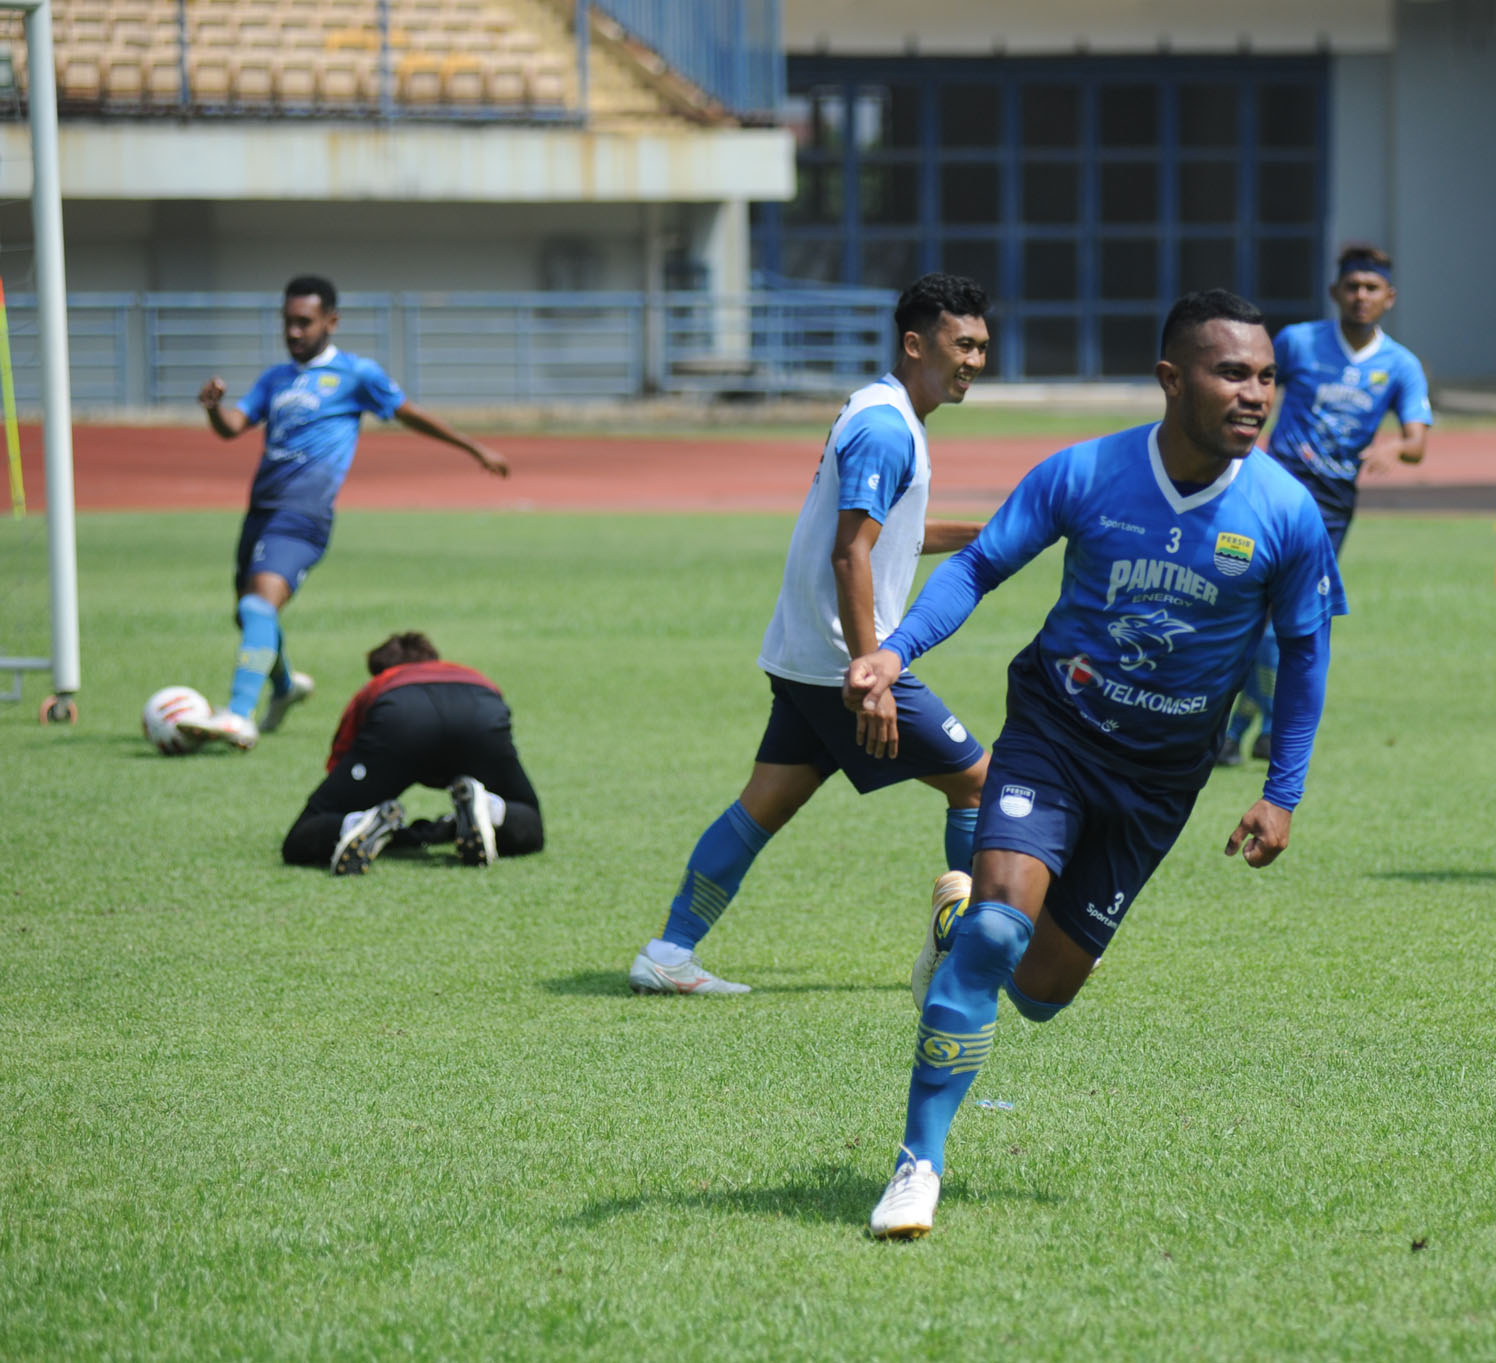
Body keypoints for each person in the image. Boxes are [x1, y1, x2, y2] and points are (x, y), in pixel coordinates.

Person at [844, 290, 1345, 1239]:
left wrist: (1282, 794)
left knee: (1038, 994)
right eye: (1232, 372)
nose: (1257, 393)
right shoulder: (1084, 474)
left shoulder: (1286, 513)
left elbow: (1307, 654)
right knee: (999, 936)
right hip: (1055, 736)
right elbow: (980, 568)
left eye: (1267, 376)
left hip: (1161, 781)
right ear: (1171, 378)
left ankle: (954, 920)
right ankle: (918, 1163)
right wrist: (896, 650)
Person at [625, 273, 995, 997]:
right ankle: (970, 951)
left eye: (983, 346)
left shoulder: (878, 410)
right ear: (916, 343)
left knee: (762, 805)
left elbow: (885, 536)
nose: (975, 360)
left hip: (805, 657)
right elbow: (850, 552)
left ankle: (669, 952)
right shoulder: (888, 428)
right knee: (979, 785)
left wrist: (998, 534)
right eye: (963, 344)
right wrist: (873, 670)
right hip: (842, 662)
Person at [182, 275, 509, 751]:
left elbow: (408, 412)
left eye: (304, 323)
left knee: (258, 606)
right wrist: (214, 408)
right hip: (261, 512)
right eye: (287, 323)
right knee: (249, 615)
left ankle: (238, 715)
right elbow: (234, 427)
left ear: (331, 322)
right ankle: (285, 685)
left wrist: (474, 448)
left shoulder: (356, 375)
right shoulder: (276, 379)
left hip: (304, 515)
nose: (293, 333)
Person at [1221, 243, 1431, 765]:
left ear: (1390, 298)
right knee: (1248, 603)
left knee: (1279, 614)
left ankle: (1244, 726)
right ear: (1335, 292)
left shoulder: (1400, 365)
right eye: (1352, 286)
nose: (1361, 296)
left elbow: (1417, 443)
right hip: (1275, 487)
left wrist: (1392, 446)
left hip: (1332, 506)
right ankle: (1256, 727)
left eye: (1372, 288)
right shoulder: (1298, 342)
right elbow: (1254, 391)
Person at [282, 631, 543, 874]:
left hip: (402, 716)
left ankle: (359, 822)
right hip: (480, 710)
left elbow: (339, 760)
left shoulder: (381, 684)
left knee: (301, 836)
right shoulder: (470, 674)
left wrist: (353, 798)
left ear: (380, 671)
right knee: (529, 817)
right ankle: (489, 807)